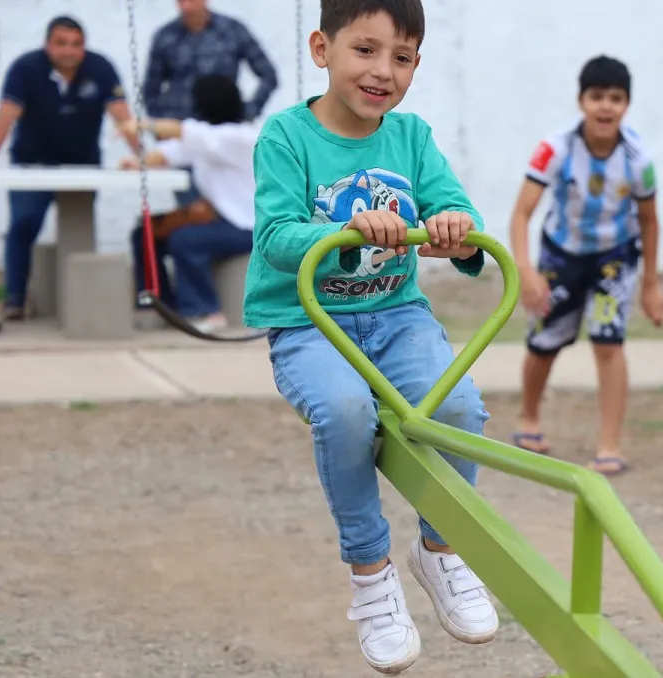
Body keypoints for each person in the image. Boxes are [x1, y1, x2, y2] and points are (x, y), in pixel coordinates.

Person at [244, 0, 498, 672]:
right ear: (322, 49)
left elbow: (454, 207)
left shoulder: (412, 137)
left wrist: (451, 226)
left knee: (460, 406)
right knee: (346, 411)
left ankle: (442, 550)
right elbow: (274, 237)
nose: (382, 70)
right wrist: (345, 234)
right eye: (365, 50)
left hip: (396, 316)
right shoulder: (285, 137)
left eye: (402, 56)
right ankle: (371, 572)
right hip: (310, 323)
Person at [506, 55, 663, 476]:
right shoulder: (556, 147)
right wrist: (527, 273)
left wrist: (650, 284)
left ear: (627, 105)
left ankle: (610, 446)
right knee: (545, 342)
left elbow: (650, 220)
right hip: (561, 254)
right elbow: (522, 213)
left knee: (609, 343)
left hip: (614, 257)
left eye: (615, 99)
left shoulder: (637, 158)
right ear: (581, 100)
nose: (605, 107)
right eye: (596, 97)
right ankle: (528, 421)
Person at [0, 16, 138, 324]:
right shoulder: (25, 68)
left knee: (79, 227)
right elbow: (6, 117)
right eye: (61, 43)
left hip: (82, 163)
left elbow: (122, 117)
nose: (68, 51)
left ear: (84, 46)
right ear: (48, 44)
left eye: (76, 44)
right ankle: (15, 300)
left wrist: (142, 155)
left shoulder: (100, 67)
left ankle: (81, 305)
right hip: (31, 163)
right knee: (24, 225)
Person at [119, 74, 258, 333]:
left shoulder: (240, 137)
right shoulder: (203, 140)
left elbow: (183, 131)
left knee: (186, 240)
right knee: (146, 232)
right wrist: (138, 162)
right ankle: (159, 306)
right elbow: (170, 152)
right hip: (220, 221)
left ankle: (205, 310)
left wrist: (141, 125)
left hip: (249, 226)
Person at [143, 0, 278, 122]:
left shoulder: (232, 30)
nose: (187, 7)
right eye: (181, 1)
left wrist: (249, 110)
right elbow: (150, 89)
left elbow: (268, 75)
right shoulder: (165, 36)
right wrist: (161, 122)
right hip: (180, 128)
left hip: (223, 126)